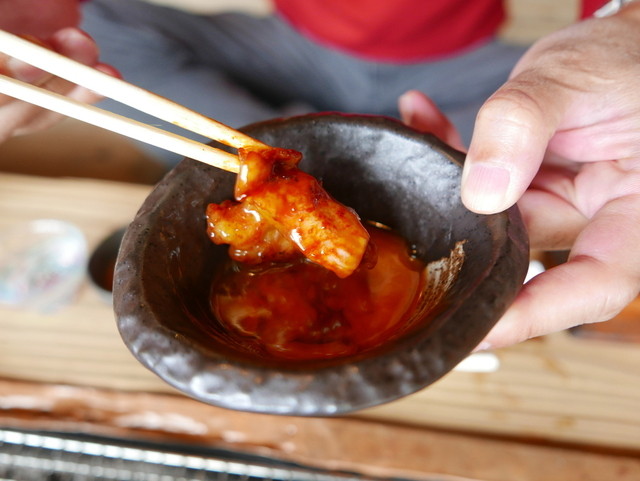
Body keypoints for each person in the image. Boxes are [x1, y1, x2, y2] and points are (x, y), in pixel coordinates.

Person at [1, 0, 640, 352]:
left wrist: (627, 21)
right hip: (296, 44)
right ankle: (343, 142)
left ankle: (313, 134)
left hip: (457, 63)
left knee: (564, 131)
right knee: (94, 26)